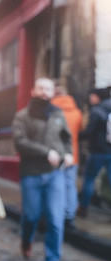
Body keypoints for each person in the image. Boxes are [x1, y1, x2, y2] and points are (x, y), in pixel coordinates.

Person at [12, 78, 73, 261]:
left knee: (56, 220)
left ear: (52, 92)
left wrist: (67, 154)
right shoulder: (22, 116)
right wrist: (46, 152)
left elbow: (66, 138)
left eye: (48, 89)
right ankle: (26, 239)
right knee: (31, 216)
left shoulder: (58, 114)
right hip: (31, 174)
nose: (44, 92)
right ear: (33, 91)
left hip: (55, 175)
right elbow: (20, 142)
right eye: (40, 88)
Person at [51, 84, 83, 229]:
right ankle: (70, 215)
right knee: (70, 185)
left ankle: (58, 214)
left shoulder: (51, 110)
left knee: (56, 186)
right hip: (73, 154)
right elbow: (79, 130)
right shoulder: (77, 112)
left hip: (55, 154)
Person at [77, 88, 111, 218]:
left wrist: (75, 135)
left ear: (98, 97)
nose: (91, 98)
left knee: (89, 179)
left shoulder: (96, 111)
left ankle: (83, 208)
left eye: (92, 96)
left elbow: (89, 132)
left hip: (98, 151)